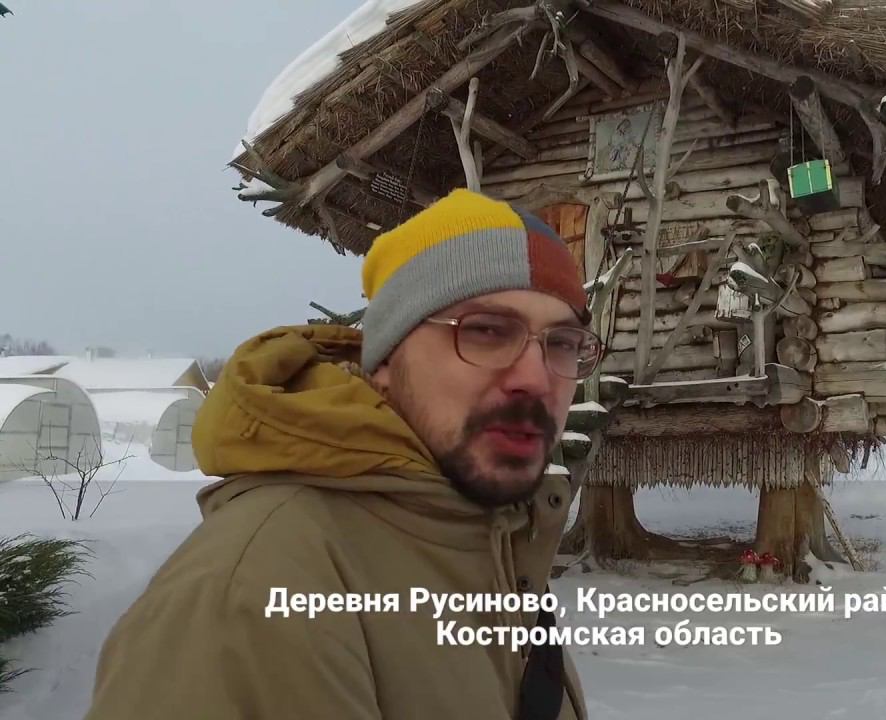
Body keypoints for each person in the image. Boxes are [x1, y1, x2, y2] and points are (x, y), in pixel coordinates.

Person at [85, 189, 597, 719]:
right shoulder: (255, 594)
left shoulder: (496, 544)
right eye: (487, 331)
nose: (536, 378)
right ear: (385, 360)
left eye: (561, 343)